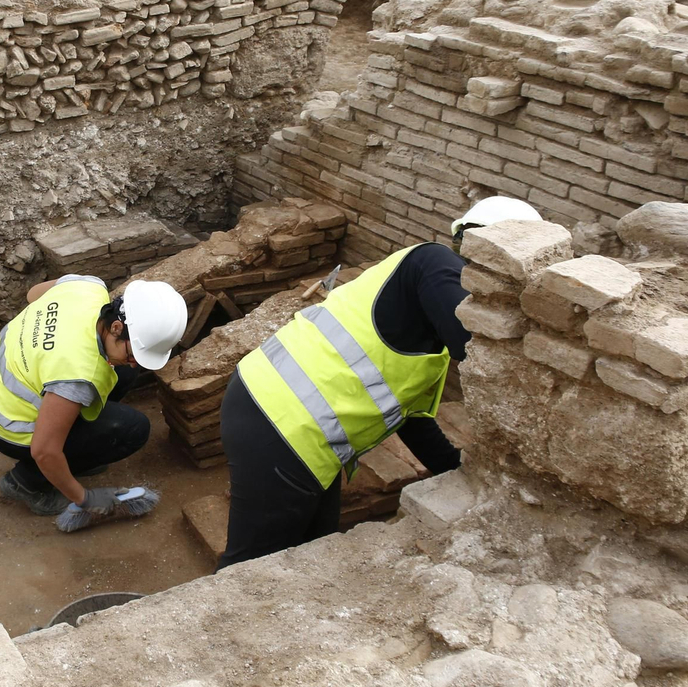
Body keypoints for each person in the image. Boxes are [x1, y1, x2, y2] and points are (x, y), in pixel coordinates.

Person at [216, 196, 543, 568]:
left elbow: (409, 417)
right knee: (250, 564)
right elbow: (479, 353)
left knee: (312, 545)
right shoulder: (436, 263)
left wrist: (456, 473)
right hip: (278, 421)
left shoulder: (419, 321)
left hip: (285, 420)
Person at [0, 274, 188, 518]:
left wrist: (48, 341)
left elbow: (33, 294)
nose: (132, 362)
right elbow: (44, 451)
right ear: (116, 327)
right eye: (132, 354)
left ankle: (78, 446)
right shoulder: (76, 376)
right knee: (132, 430)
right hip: (4, 421)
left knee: (122, 374)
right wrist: (84, 498)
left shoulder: (88, 286)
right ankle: (26, 482)